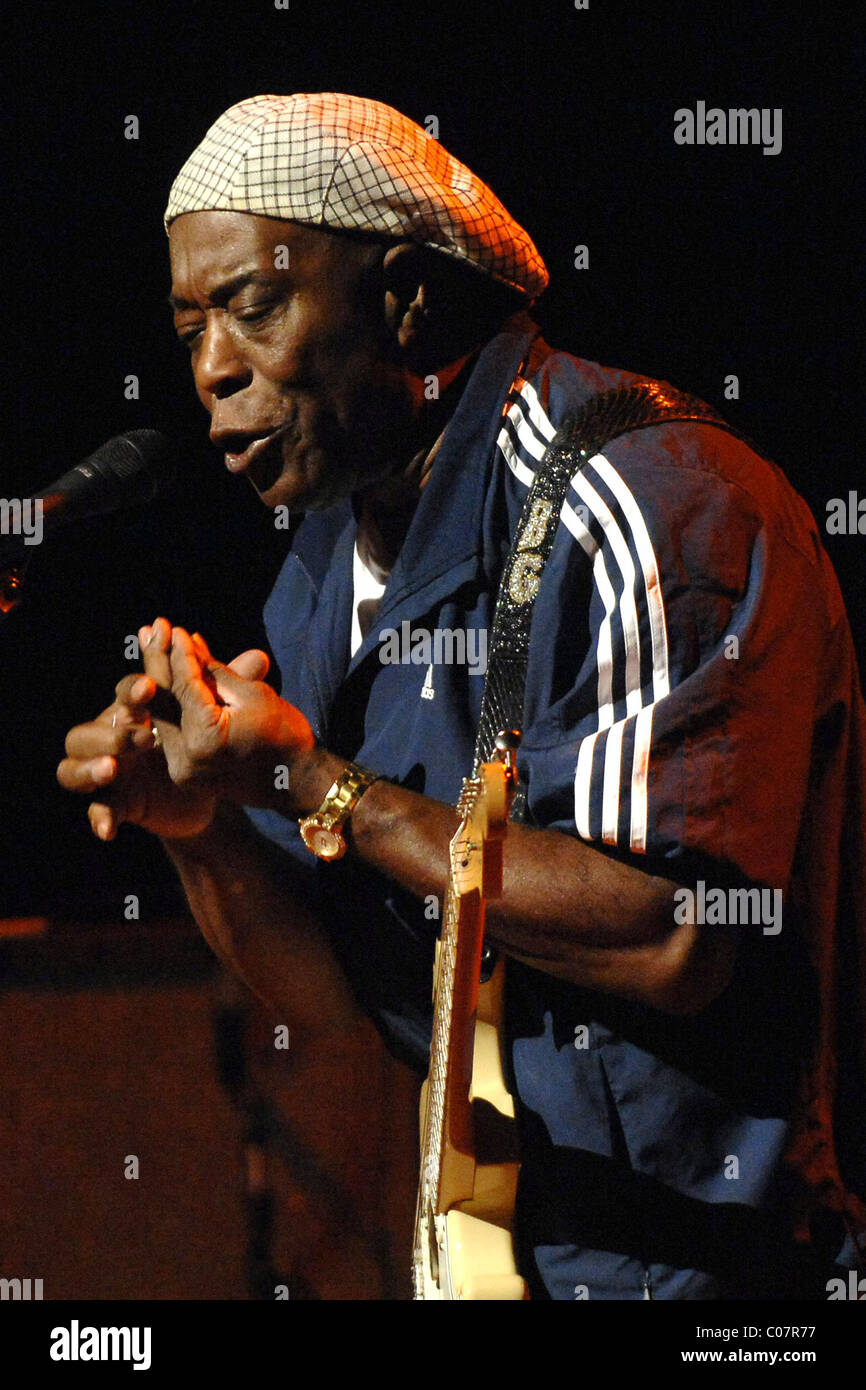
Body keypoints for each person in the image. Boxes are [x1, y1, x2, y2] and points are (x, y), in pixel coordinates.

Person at [57, 93, 866, 1300]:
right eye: (188, 330)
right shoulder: (327, 562)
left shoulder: (643, 496)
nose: (212, 368)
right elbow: (332, 999)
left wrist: (317, 785)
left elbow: (679, 933)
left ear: (404, 298)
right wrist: (208, 824)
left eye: (253, 306)